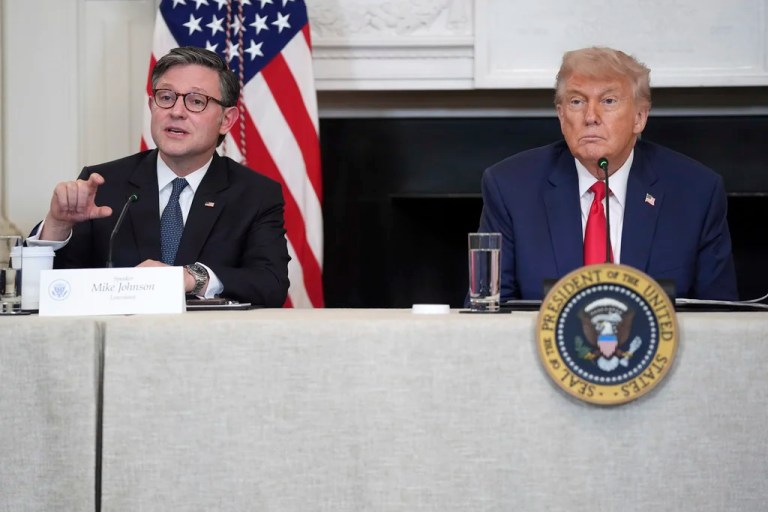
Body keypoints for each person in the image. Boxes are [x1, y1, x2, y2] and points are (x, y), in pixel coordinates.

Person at [29, 46, 290, 307]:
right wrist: (57, 227)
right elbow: (48, 290)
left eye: (196, 101)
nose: (176, 111)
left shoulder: (255, 194)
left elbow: (271, 284)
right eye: (166, 97)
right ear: (152, 106)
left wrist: (193, 278)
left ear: (226, 120)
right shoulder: (102, 184)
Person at [478, 46, 738, 301]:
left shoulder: (697, 192)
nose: (591, 116)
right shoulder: (511, 188)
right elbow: (489, 308)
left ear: (639, 117)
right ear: (561, 116)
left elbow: (720, 315)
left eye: (608, 101)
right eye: (577, 101)